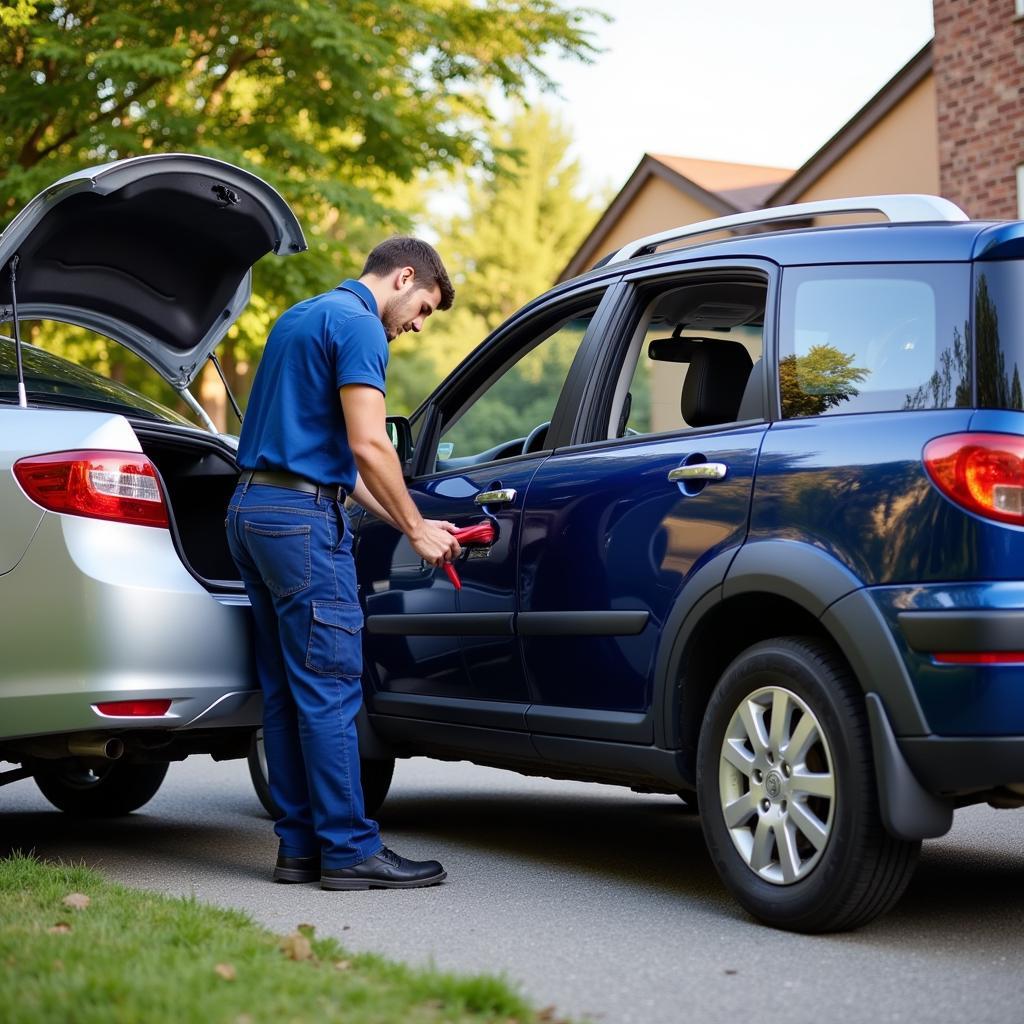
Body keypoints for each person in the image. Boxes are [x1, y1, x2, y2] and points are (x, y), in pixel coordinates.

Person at [225, 236, 460, 890]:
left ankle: (298, 849)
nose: (417, 323)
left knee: (285, 690)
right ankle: (352, 850)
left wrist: (408, 518)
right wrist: (416, 529)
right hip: (299, 527)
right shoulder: (361, 329)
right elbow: (370, 444)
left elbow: (336, 461)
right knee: (329, 687)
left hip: (251, 512)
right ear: (403, 276)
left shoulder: (300, 317)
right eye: (424, 308)